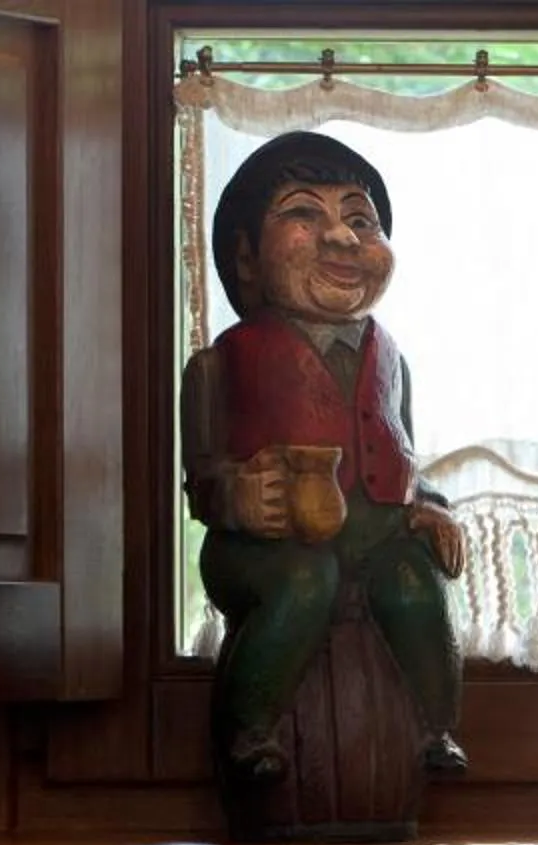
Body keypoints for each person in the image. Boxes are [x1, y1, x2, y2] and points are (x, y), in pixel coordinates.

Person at [183, 130, 468, 789]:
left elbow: (400, 459)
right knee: (302, 582)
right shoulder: (218, 365)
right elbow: (202, 479)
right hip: (264, 549)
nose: (341, 238)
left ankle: (436, 729)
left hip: (375, 537)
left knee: (414, 583)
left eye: (360, 220)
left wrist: (429, 508)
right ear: (248, 260)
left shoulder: (392, 362)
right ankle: (248, 730)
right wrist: (239, 497)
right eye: (305, 214)